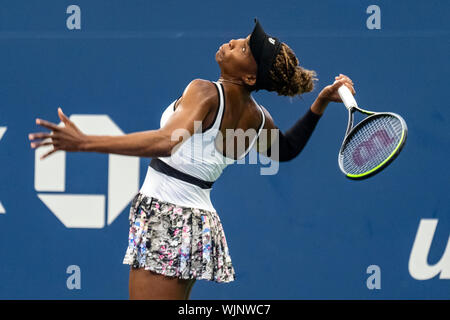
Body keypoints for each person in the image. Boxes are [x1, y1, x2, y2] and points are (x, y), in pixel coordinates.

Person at [28, 19, 355, 300]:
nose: (233, 42)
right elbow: (286, 149)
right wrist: (320, 103)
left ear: (250, 78)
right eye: (242, 40)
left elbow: (166, 142)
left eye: (243, 49)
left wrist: (83, 142)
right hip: (197, 224)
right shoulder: (257, 118)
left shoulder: (205, 91)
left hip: (168, 219)